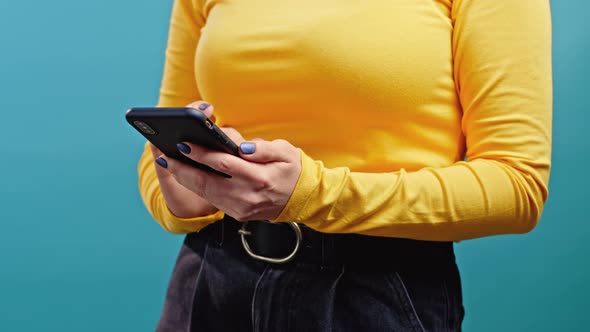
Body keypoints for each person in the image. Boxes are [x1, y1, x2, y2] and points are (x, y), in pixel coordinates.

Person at [136, 0, 552, 331]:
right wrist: (183, 198)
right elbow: (165, 130)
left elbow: (516, 184)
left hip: (373, 288)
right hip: (210, 279)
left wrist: (313, 196)